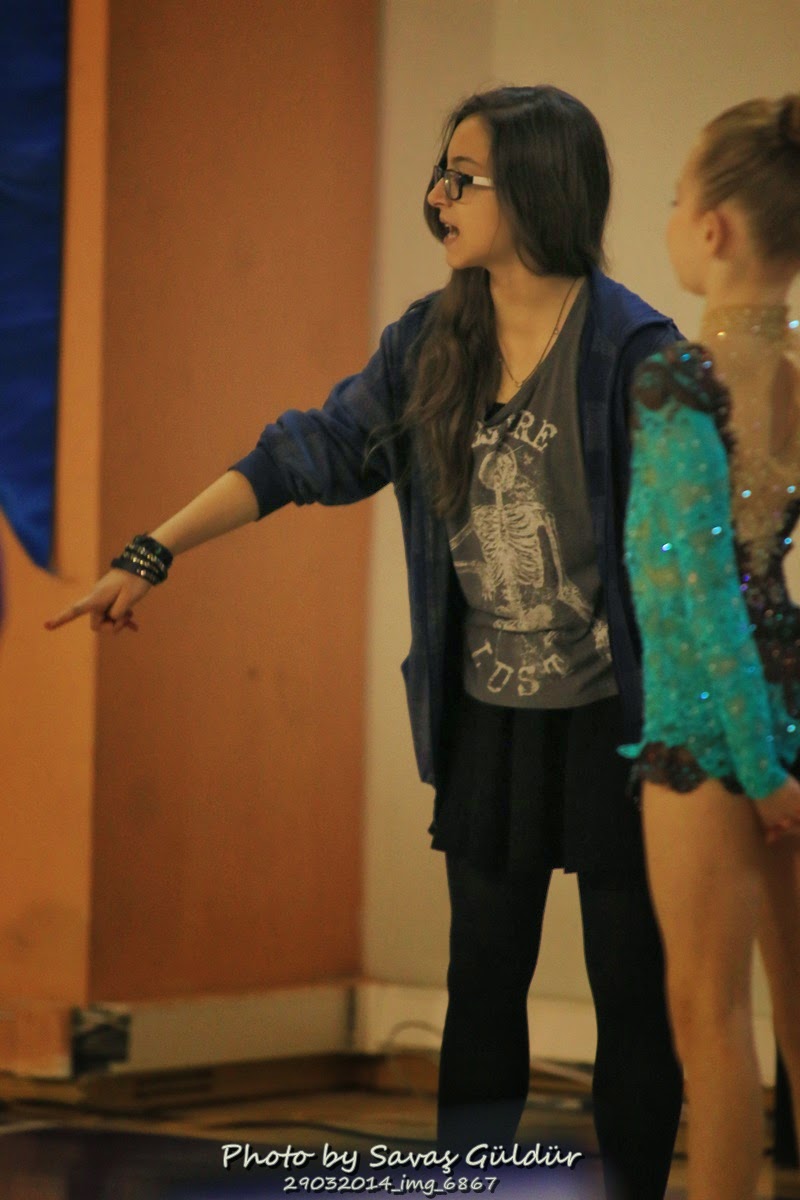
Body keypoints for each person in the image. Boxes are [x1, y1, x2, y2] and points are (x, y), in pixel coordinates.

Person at [46, 86, 683, 1199]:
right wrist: (153, 549)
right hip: (486, 721)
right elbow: (308, 452)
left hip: (619, 727)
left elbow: (694, 568)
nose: (438, 195)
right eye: (440, 172)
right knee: (481, 988)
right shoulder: (432, 341)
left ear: (538, 188)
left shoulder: (632, 352)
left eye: (464, 177)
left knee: (631, 993)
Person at [621, 93, 800, 1200]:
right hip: (786, 701)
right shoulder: (794, 371)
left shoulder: (676, 379)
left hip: (706, 728)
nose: (670, 217)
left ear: (713, 226)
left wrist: (759, 766)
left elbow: (695, 591)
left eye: (674, 196)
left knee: (710, 1017)